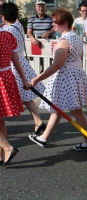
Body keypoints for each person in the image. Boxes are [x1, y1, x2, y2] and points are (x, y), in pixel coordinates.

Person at [29, 8, 87, 151]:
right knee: (61, 109)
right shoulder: (75, 36)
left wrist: (38, 78)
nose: (53, 25)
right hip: (75, 74)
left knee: (69, 110)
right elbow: (80, 55)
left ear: (65, 23)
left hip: (66, 76)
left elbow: (57, 65)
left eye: (55, 22)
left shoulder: (65, 40)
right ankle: (43, 138)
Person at [2, 2, 46, 135]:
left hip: (12, 64)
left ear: (3, 16)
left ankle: (37, 121)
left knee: (13, 96)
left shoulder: (5, 31)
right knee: (26, 96)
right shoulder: (18, 25)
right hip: (21, 62)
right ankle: (38, 121)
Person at [0, 26, 31, 166]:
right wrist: (24, 81)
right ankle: (0, 155)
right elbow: (16, 60)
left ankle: (7, 148)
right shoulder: (8, 35)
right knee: (0, 119)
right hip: (6, 76)